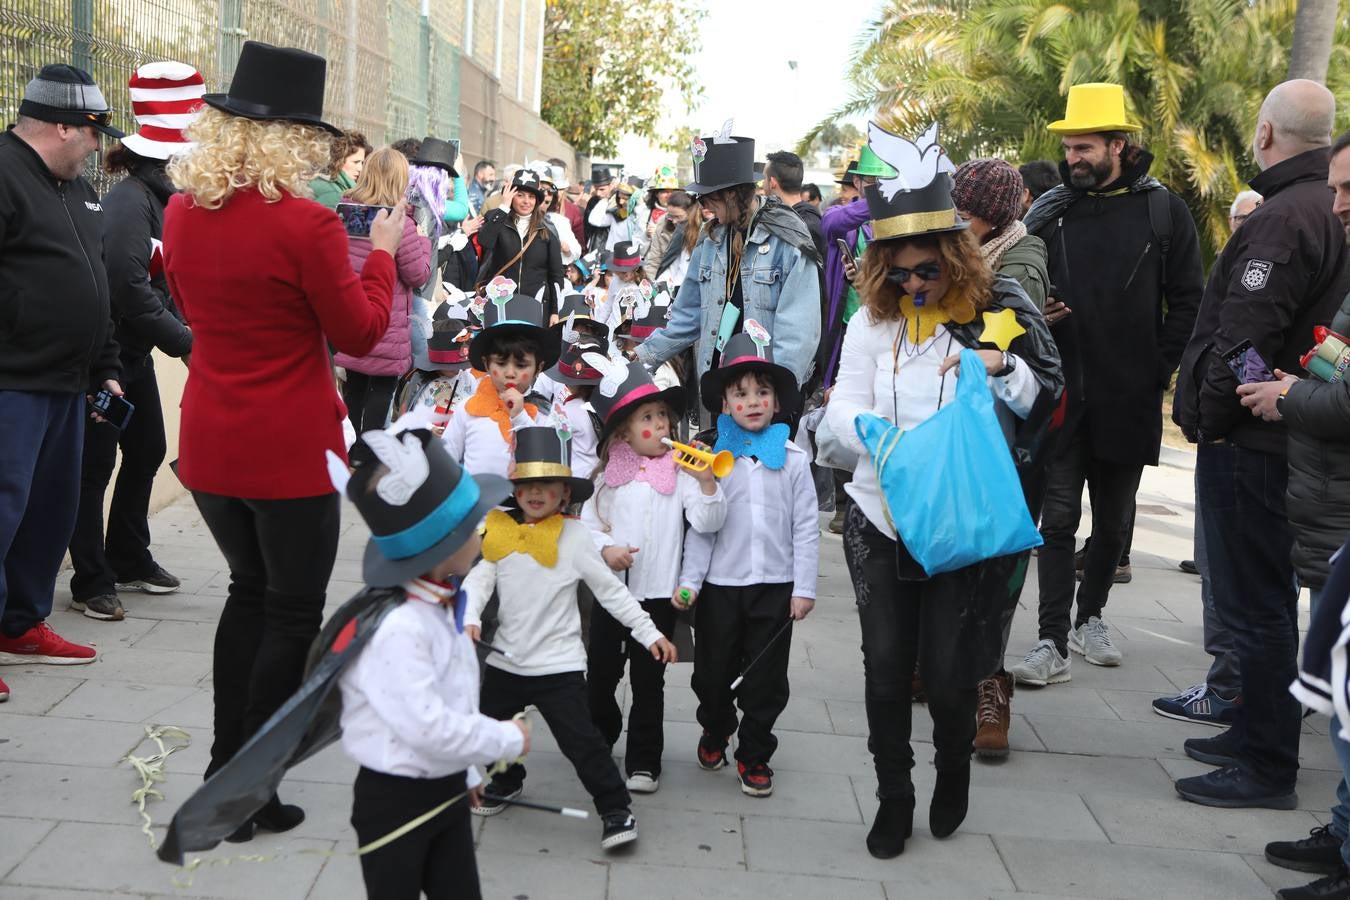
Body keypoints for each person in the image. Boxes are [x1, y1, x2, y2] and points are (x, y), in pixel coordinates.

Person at [161, 41, 404, 835]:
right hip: (289, 448)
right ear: (296, 138)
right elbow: (361, 332)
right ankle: (246, 785)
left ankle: (225, 770)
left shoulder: (180, 211)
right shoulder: (308, 224)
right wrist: (381, 254)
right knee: (291, 611)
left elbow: (195, 306)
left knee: (248, 594)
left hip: (210, 440)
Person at [826, 122, 1061, 859]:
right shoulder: (872, 324)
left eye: (926, 270)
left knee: (953, 672)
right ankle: (893, 795)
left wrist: (1000, 365)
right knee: (886, 667)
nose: (913, 285)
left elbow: (1043, 399)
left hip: (961, 523)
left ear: (954, 257)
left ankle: (952, 764)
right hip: (879, 514)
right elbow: (838, 411)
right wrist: (877, 439)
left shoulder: (995, 310)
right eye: (898, 272)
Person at [1173, 80, 1349, 812]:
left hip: (1254, 441)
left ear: (1267, 132)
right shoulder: (1320, 206)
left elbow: (1246, 336)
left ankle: (1266, 761)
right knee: (1264, 600)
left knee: (1254, 605)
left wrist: (1218, 410)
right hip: (1281, 436)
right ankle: (1252, 733)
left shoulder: (1285, 216)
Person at [1010, 82, 1203, 685]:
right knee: (1057, 522)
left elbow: (1189, 300)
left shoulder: (1163, 210)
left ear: (1119, 145)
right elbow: (1014, 288)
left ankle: (1089, 616)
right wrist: (1036, 319)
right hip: (1062, 394)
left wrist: (1156, 369)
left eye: (1085, 147)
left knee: (1114, 525)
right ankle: (1050, 641)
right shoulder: (1049, 213)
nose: (1073, 158)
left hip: (1129, 396)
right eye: (1069, 148)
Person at [463, 426, 679, 851]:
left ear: (565, 494)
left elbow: (612, 592)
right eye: (527, 484)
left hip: (558, 666)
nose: (536, 492)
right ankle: (506, 779)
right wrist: (468, 617)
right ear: (514, 489)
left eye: (547, 484)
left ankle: (615, 807)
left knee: (582, 743)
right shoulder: (499, 530)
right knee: (488, 730)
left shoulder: (576, 537)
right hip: (505, 660)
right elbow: (477, 582)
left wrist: (649, 632)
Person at [336, 426, 523, 900]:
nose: (482, 529)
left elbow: (453, 695)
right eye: (474, 524)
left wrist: (468, 773)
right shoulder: (400, 627)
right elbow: (426, 724)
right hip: (395, 801)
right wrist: (505, 739)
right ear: (447, 544)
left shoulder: (439, 603)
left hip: (446, 787)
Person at [0, 63, 126, 699]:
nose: (98, 148)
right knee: (3, 507)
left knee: (51, 512)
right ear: (62, 127)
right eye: (93, 134)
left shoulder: (78, 187)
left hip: (69, 383)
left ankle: (20, 624)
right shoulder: (4, 172)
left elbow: (94, 281)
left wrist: (107, 366)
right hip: (12, 383)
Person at [67, 62, 200, 623]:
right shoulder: (131, 201)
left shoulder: (163, 199)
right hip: (108, 356)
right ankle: (90, 578)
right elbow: (129, 287)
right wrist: (186, 342)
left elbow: (165, 283)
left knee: (145, 450)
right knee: (94, 467)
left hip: (135, 352)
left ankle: (128, 555)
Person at [1257, 137, 1350, 898]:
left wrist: (1289, 396)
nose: (1338, 204)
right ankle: (1345, 833)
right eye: (1337, 186)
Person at [680, 331, 819, 797]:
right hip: (720, 586)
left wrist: (804, 588)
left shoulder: (794, 460)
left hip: (775, 587)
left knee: (766, 679)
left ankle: (755, 753)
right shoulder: (714, 461)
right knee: (711, 674)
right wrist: (690, 581)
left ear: (777, 402)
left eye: (763, 392)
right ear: (725, 404)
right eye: (741, 394)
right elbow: (703, 526)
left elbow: (806, 527)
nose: (753, 402)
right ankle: (716, 726)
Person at [1152, 185, 1267, 727]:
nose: (1246, 226)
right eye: (1240, 219)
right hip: (1247, 429)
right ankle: (1255, 693)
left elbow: (1245, 344)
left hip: (1241, 437)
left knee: (1231, 575)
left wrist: (1215, 412)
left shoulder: (1271, 255)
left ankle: (1230, 692)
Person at [582, 357, 726, 793]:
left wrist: (706, 482)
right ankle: (599, 739)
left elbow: (708, 521)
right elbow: (586, 527)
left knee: (649, 682)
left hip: (659, 595)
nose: (661, 423)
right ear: (623, 432)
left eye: (663, 415)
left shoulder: (681, 474)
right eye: (648, 417)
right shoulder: (608, 477)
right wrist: (606, 550)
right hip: (613, 596)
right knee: (601, 676)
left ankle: (644, 761)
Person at [950, 157, 1052, 759]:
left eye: (963, 211)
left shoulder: (1017, 267)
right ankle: (938, 664)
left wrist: (993, 354)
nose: (952, 219)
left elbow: (1026, 360)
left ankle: (991, 688)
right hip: (955, 440)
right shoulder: (959, 256)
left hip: (1005, 446)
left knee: (996, 572)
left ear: (990, 217)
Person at [635, 129, 822, 409]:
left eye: (708, 197)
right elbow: (686, 316)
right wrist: (643, 355)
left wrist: (774, 396)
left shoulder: (787, 239)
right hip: (723, 390)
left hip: (767, 397)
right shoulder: (710, 239)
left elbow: (799, 333)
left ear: (732, 194)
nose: (703, 206)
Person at [334, 148, 432, 432]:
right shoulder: (399, 222)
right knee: (381, 390)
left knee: (354, 387)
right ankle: (370, 450)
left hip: (352, 316)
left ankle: (351, 445)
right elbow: (417, 275)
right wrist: (423, 241)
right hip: (386, 323)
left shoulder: (346, 214)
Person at [442, 283, 557, 477]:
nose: (510, 373)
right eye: (501, 363)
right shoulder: (468, 410)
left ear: (538, 368)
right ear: (486, 364)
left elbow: (545, 466)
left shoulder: (544, 414)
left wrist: (520, 416)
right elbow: (445, 462)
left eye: (521, 365)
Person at [476, 168, 564, 320]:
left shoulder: (546, 231)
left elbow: (556, 276)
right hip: (501, 305)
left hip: (535, 306)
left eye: (531, 196)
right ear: (510, 195)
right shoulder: (497, 219)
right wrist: (503, 207)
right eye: (520, 195)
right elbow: (484, 241)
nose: (526, 201)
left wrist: (554, 312)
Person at [765, 149, 826, 262]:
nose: (763, 183)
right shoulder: (789, 217)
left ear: (772, 182)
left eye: (764, 177)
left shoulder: (806, 223)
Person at [644, 191, 697, 287]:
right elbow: (655, 259)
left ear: (691, 213)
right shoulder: (663, 223)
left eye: (678, 217)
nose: (674, 221)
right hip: (665, 279)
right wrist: (650, 285)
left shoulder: (697, 231)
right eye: (670, 216)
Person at [309, 129, 371, 209]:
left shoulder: (343, 187)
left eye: (362, 163)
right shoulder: (331, 193)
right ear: (339, 160)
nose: (360, 168)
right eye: (356, 162)